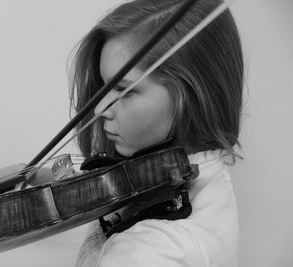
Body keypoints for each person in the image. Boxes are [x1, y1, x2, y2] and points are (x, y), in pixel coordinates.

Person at [67, 0, 244, 266]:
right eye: (105, 87)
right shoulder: (199, 173)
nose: (100, 109)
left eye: (125, 90)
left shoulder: (149, 252)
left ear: (191, 95)